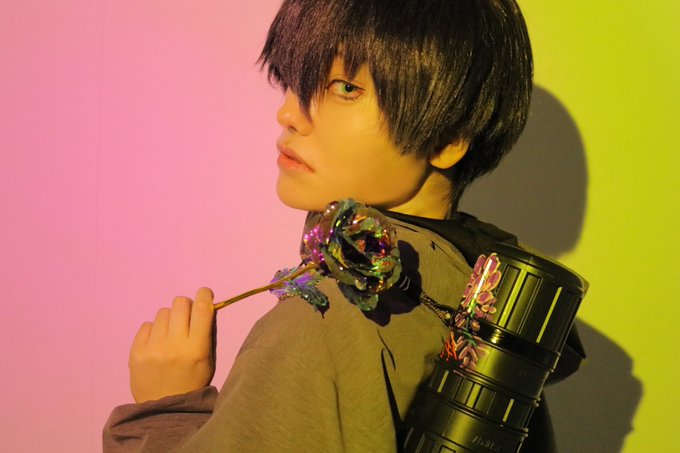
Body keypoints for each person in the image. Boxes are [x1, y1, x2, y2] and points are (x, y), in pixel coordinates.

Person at [103, 0, 584, 451]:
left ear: (449, 137)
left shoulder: (324, 323)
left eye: (345, 88)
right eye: (293, 80)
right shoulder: (490, 307)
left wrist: (165, 409)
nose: (289, 113)